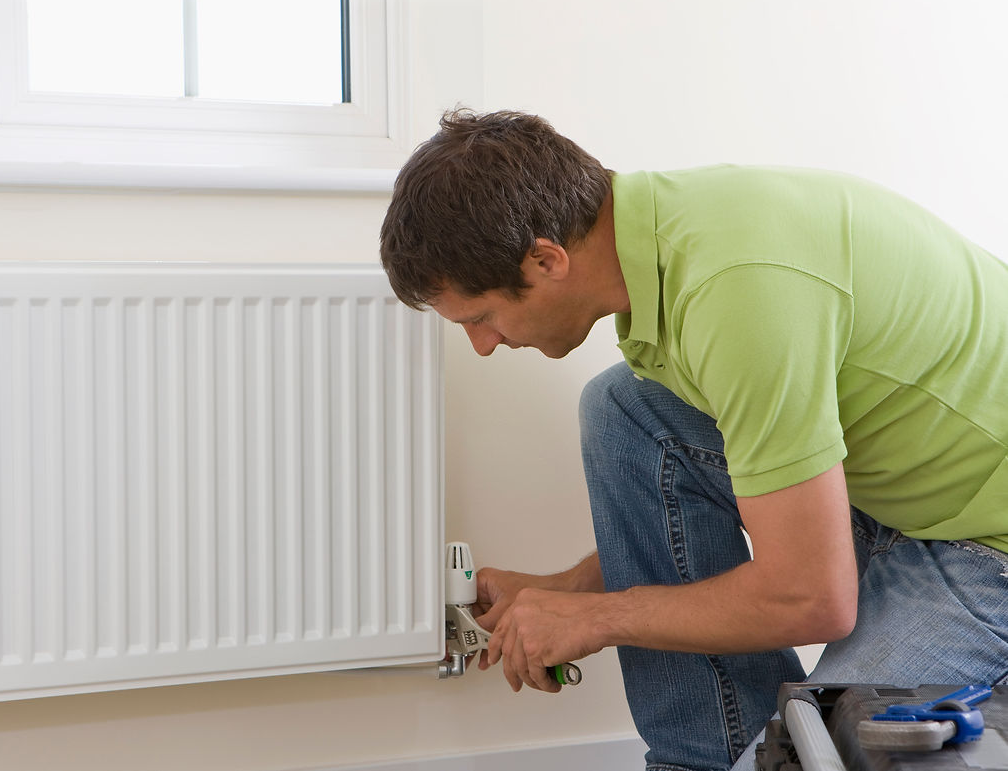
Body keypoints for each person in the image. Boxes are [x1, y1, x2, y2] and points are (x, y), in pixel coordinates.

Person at [379, 109, 1008, 771]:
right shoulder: (657, 253)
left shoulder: (733, 292)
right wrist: (569, 590)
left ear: (544, 259)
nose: (482, 345)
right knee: (624, 407)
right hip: (893, 496)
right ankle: (701, 757)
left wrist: (597, 618)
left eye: (480, 318)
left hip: (987, 541)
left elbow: (811, 596)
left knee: (817, 751)